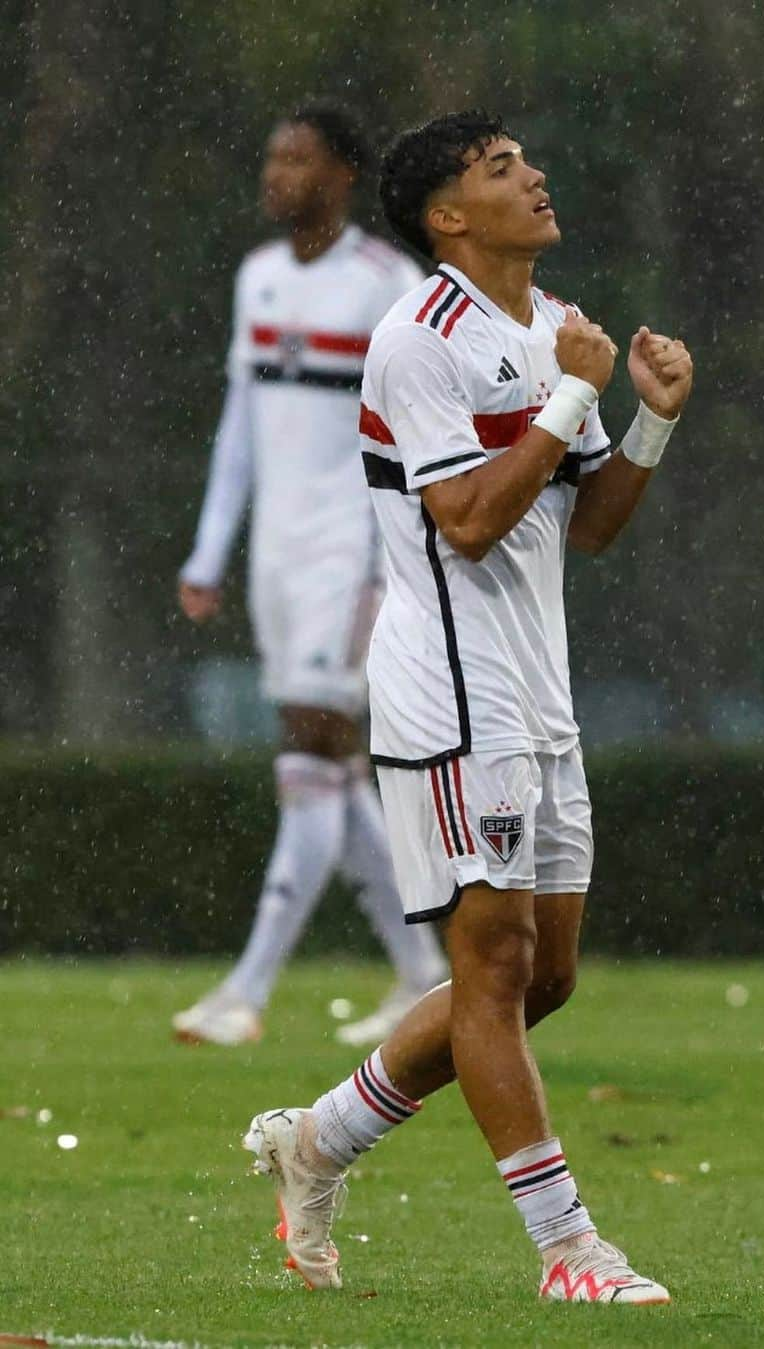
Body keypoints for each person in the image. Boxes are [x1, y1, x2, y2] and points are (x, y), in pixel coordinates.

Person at [243, 109, 693, 1304]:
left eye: (526, 161)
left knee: (544, 978)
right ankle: (569, 1251)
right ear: (450, 216)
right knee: (490, 970)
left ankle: (319, 1137)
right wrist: (566, 405)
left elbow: (583, 524)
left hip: (539, 694)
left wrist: (646, 413)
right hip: (449, 695)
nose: (535, 176)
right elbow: (468, 517)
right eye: (502, 170)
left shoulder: (557, 328)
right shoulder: (416, 337)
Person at [173, 102, 448, 1048]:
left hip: (354, 553)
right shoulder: (256, 280)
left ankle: (246, 991)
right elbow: (240, 430)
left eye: (297, 158)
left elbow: (422, 430)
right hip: (278, 558)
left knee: (310, 746)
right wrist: (212, 550)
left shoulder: (385, 283)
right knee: (330, 766)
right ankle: (422, 972)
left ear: (341, 175)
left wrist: (411, 550)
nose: (276, 174)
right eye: (271, 155)